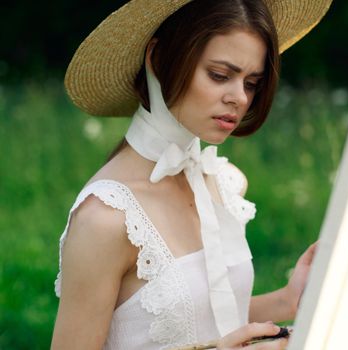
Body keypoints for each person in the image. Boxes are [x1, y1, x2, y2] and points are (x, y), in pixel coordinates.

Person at [51, 0, 332, 349]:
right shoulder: (106, 219)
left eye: (252, 83)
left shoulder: (223, 182)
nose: (239, 98)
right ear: (158, 58)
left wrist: (287, 301)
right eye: (219, 75)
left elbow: (198, 320)